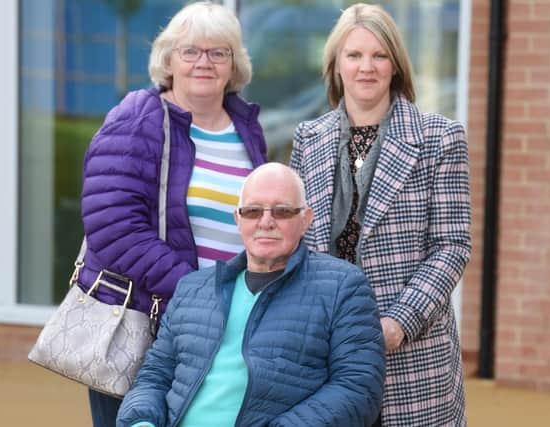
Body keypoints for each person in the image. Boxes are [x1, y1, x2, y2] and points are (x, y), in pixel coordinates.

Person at [78, 2, 267, 425]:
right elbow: (114, 228)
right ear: (168, 60)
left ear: (234, 64)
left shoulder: (246, 128)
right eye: (191, 51)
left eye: (219, 52)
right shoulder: (137, 119)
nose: (205, 62)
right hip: (145, 325)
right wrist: (197, 294)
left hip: (226, 332)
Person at [290, 3, 471, 426]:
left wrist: (397, 323)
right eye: (353, 55)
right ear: (336, 65)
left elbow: (452, 246)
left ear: (396, 65)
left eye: (379, 55)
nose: (365, 67)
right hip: (326, 353)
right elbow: (298, 241)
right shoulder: (307, 139)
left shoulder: (439, 138)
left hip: (410, 353)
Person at [116, 162, 385, 427]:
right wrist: (141, 421)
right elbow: (154, 376)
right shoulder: (193, 288)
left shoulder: (343, 286)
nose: (266, 222)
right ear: (238, 218)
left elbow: (358, 389)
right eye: (253, 211)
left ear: (305, 220)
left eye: (282, 211)